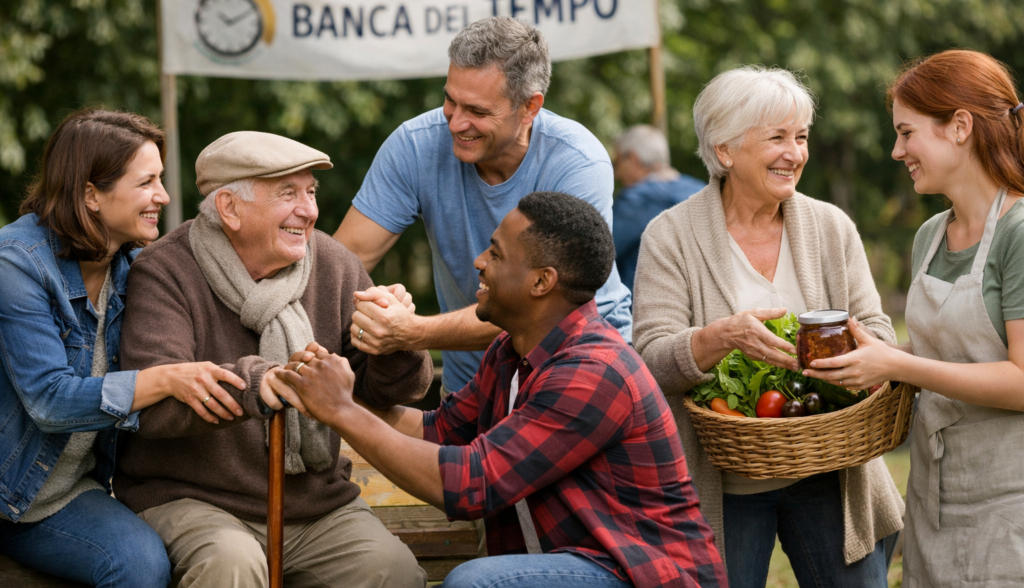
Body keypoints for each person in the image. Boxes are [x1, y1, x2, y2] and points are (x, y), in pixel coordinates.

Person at [278, 192, 728, 588]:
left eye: (495, 254)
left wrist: (341, 411)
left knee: (479, 584)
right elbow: (437, 434)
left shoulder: (593, 372)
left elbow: (471, 485)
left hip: (636, 574)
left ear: (540, 281)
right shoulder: (511, 351)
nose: (479, 262)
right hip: (577, 567)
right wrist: (323, 389)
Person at [114, 131, 433, 588]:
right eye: (288, 194)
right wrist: (257, 384)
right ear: (229, 208)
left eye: (311, 192)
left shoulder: (334, 263)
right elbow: (153, 406)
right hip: (194, 499)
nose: (309, 210)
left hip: (314, 502)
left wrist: (395, 339)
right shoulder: (165, 271)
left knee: (392, 572)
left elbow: (390, 390)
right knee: (231, 566)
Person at [632, 66, 905, 588]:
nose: (795, 152)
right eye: (777, 137)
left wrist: (848, 357)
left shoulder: (830, 227)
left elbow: (878, 330)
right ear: (725, 150)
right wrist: (719, 337)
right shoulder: (670, 236)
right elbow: (649, 359)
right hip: (724, 486)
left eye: (800, 136)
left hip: (830, 470)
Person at [0, 109, 251, 587]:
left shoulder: (135, 267)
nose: (164, 196)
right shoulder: (17, 265)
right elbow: (49, 401)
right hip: (5, 491)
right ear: (90, 195)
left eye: (160, 179)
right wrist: (165, 378)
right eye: (146, 183)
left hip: (64, 495)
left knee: (139, 564)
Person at [802, 49, 1024, 587]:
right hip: (934, 492)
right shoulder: (929, 237)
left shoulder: (1018, 233)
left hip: (1008, 499)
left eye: (907, 132)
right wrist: (875, 358)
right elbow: (948, 358)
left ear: (961, 127)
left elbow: (1021, 381)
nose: (897, 151)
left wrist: (898, 365)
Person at [333, 16, 632, 397]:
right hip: (471, 387)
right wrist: (366, 314)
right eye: (449, 100)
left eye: (477, 111)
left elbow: (545, 311)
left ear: (529, 107)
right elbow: (343, 263)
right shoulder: (414, 145)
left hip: (576, 374)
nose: (456, 123)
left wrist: (412, 331)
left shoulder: (576, 162)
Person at [611, 124, 704, 291]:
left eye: (617, 163)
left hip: (643, 310)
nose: (617, 174)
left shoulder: (635, 201)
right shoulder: (703, 192)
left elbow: (600, 257)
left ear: (632, 158)